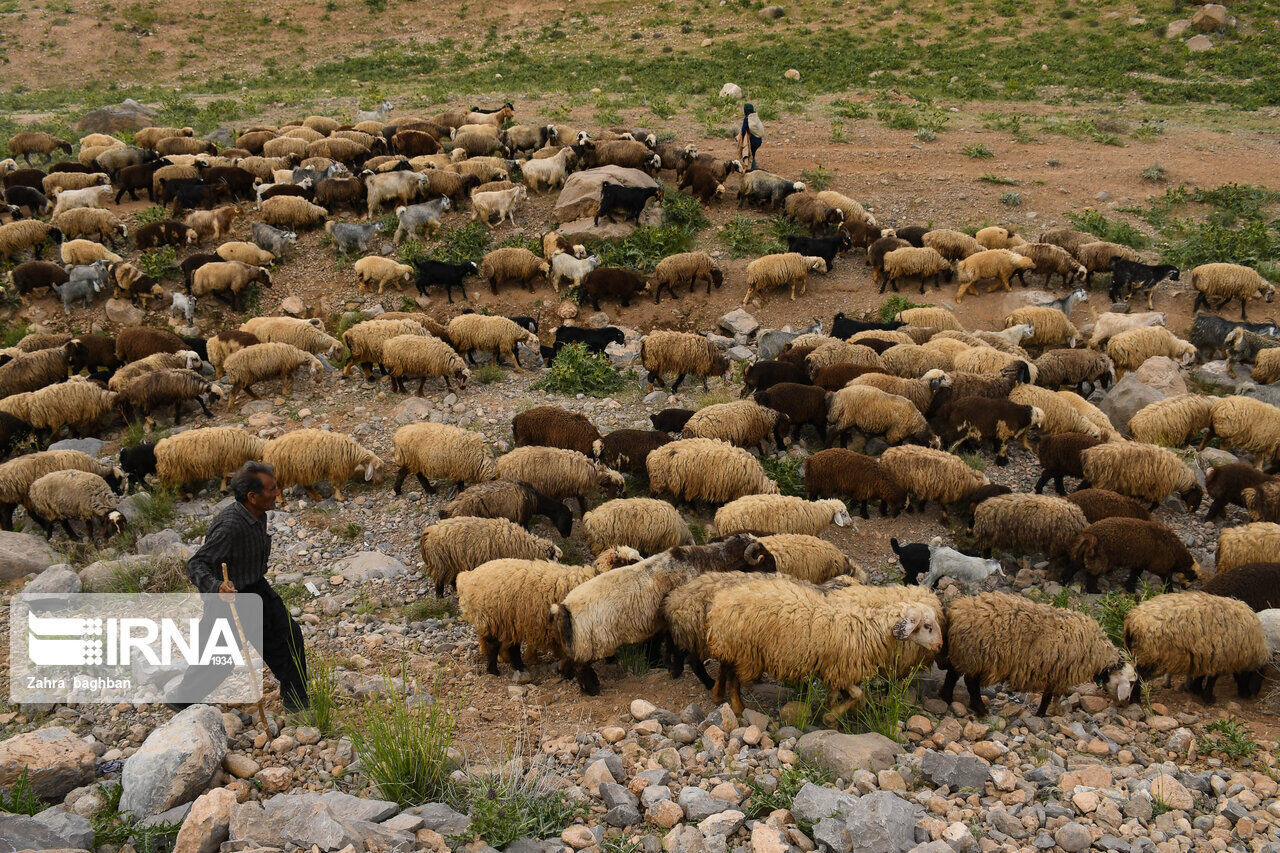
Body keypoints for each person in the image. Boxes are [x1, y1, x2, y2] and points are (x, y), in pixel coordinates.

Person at [168, 461, 309, 713]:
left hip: (257, 588)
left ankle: (297, 702)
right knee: (218, 663)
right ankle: (182, 699)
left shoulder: (259, 513)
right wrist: (217, 587)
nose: (277, 493)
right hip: (227, 601)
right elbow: (196, 564)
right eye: (272, 489)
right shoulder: (230, 526)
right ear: (252, 496)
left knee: (288, 637)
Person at [737, 103, 765, 170]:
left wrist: (742, 138)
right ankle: (753, 165)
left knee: (750, 153)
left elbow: (743, 129)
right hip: (759, 140)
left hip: (752, 140)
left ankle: (753, 166)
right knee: (753, 152)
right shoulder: (755, 117)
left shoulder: (747, 119)